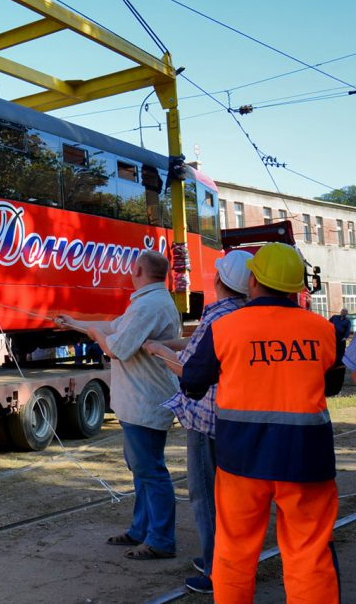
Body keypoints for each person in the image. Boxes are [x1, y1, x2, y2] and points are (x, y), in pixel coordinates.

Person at [181, 242, 341, 603]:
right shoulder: (323, 330)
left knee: (234, 551)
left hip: (242, 461)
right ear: (296, 287)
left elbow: (192, 383)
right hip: (306, 460)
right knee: (309, 553)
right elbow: (330, 385)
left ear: (253, 281)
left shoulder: (225, 328)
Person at [54, 249, 181, 560]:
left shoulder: (149, 305)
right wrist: (75, 323)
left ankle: (160, 539)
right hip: (140, 400)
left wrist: (94, 333)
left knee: (150, 471)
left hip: (145, 400)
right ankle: (141, 530)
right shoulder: (149, 301)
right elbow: (115, 327)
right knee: (142, 470)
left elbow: (116, 348)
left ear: (137, 270)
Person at [142, 249, 253, 594]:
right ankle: (227, 561)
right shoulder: (246, 312)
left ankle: (215, 571)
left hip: (207, 419)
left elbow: (190, 369)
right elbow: (201, 344)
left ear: (219, 280)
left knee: (205, 496)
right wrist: (170, 342)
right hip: (237, 417)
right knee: (233, 497)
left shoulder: (218, 314)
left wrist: (159, 351)